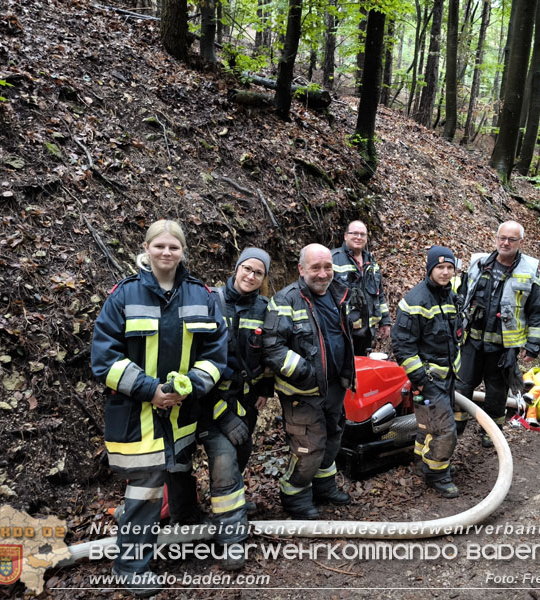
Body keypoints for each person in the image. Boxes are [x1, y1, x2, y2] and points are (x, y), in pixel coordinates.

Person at [91, 219, 227, 596]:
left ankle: (186, 535)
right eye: (160, 246)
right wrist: (151, 391)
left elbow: (216, 353)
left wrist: (191, 386)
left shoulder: (201, 295)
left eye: (174, 247)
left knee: (179, 474)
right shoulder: (123, 295)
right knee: (145, 488)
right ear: (146, 249)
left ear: (183, 251)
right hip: (139, 414)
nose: (167, 253)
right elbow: (104, 359)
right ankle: (131, 568)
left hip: (182, 412)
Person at [166, 248, 273, 569]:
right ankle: (203, 530)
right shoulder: (209, 301)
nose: (250, 276)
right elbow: (195, 356)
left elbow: (268, 352)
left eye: (258, 273)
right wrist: (220, 413)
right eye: (247, 269)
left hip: (241, 400)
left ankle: (228, 512)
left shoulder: (265, 309)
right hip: (196, 402)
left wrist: (265, 388)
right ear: (236, 268)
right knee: (184, 465)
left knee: (237, 455)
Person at [262, 244, 355, 519]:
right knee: (309, 447)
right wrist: (304, 371)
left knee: (332, 439)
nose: (323, 273)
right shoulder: (285, 300)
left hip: (335, 387)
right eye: (315, 267)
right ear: (301, 269)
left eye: (328, 267)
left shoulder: (339, 293)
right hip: (302, 392)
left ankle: (323, 487)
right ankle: (295, 497)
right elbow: (272, 347)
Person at [455, 221, 540, 447]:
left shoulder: (529, 271)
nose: (505, 243)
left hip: (503, 346)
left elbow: (538, 309)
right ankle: (457, 424)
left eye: (511, 239)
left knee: (497, 392)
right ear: (496, 238)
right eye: (502, 238)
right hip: (472, 341)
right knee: (461, 385)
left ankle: (491, 432)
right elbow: (461, 296)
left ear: (521, 242)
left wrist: (533, 344)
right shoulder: (478, 264)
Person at [391, 245, 462, 499]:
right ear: (429, 269)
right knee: (445, 430)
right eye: (440, 267)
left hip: (446, 379)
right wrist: (421, 380)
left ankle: (423, 460)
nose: (445, 272)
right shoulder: (415, 300)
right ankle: (437, 473)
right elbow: (402, 345)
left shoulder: (450, 296)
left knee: (426, 425)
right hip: (428, 383)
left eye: (449, 268)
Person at [331, 220, 391, 355]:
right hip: (341, 332)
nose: (359, 237)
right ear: (346, 236)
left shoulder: (371, 263)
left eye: (362, 234)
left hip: (366, 333)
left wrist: (385, 321)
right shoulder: (332, 260)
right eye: (355, 233)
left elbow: (379, 293)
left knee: (362, 370)